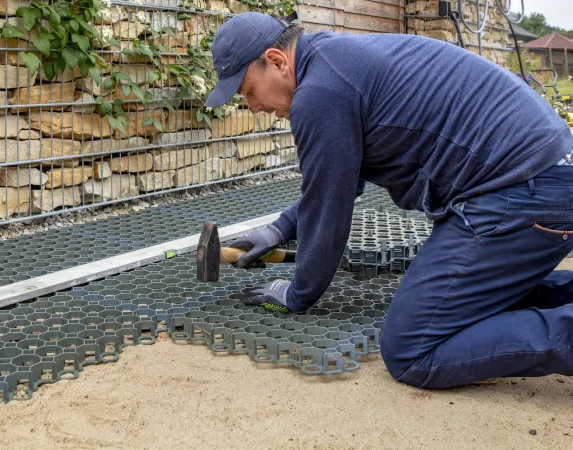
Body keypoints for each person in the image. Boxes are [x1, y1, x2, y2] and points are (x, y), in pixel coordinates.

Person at [205, 12, 573, 389]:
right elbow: (339, 181)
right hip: (547, 177)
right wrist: (279, 229)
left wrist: (297, 293)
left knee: (411, 349)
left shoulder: (318, 94)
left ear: (278, 61)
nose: (252, 106)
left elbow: (329, 208)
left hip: (521, 190)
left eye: (249, 91)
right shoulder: (334, 60)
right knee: (465, 302)